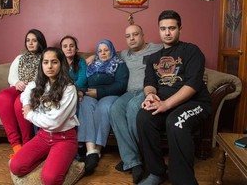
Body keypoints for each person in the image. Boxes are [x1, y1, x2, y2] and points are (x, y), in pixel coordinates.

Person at [137, 10, 211, 185]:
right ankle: (157, 172)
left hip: (195, 102)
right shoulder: (153, 58)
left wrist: (166, 104)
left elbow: (192, 86)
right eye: (163, 28)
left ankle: (183, 180)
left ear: (180, 29)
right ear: (159, 30)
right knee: (143, 117)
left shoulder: (192, 51)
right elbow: (149, 82)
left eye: (172, 28)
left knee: (176, 122)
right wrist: (150, 96)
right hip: (163, 102)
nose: (167, 32)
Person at [9, 47, 79, 185]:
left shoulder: (69, 88)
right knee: (15, 167)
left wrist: (29, 114)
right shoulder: (40, 83)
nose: (49, 66)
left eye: (54, 62)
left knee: (49, 179)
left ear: (61, 64)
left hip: (64, 138)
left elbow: (54, 122)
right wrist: (27, 105)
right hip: (43, 136)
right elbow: (25, 93)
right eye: (45, 62)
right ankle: (49, 159)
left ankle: (68, 163)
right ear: (41, 65)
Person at [109, 24, 163, 183]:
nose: (132, 38)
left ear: (143, 35)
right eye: (128, 36)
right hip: (129, 92)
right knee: (115, 109)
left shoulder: (157, 48)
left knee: (134, 108)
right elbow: (105, 55)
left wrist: (200, 73)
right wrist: (92, 57)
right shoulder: (123, 54)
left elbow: (179, 55)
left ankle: (136, 159)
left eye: (135, 34)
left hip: (147, 91)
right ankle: (133, 160)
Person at [78, 39, 129, 174]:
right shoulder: (92, 65)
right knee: (84, 105)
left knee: (104, 107)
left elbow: (121, 85)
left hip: (110, 94)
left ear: (111, 50)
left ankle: (98, 150)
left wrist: (100, 92)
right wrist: (81, 92)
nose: (103, 53)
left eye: (106, 50)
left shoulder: (119, 64)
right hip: (91, 95)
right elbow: (84, 83)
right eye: (100, 51)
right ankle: (90, 151)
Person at [0, 29, 47, 158]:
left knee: (19, 104)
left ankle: (26, 143)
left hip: (35, 89)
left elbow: (44, 78)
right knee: (3, 97)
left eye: (34, 40)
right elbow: (11, 77)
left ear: (40, 42)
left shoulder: (45, 57)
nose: (30, 43)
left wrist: (30, 86)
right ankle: (16, 145)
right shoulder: (20, 57)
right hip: (19, 86)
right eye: (28, 40)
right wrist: (17, 82)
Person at [60, 35, 87, 100]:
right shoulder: (57, 62)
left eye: (71, 46)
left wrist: (71, 90)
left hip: (78, 89)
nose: (68, 49)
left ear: (76, 48)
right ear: (61, 49)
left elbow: (82, 80)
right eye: (65, 46)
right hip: (62, 91)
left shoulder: (81, 61)